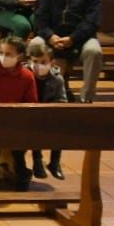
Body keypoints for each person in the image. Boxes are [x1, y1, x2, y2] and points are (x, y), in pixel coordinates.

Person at [35, 0, 104, 103]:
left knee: (94, 51)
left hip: (81, 37)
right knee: (35, 45)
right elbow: (40, 19)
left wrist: (73, 38)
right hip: (53, 36)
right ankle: (40, 92)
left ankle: (87, 97)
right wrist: (50, 36)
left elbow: (92, 22)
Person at [0, 35, 38, 190]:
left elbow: (31, 101)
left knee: (18, 145)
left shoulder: (27, 76)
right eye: (1, 53)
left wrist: (16, 113)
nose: (4, 57)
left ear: (19, 56)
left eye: (9, 54)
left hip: (18, 119)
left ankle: (20, 171)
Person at [26, 36, 67, 179]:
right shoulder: (26, 75)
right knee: (33, 130)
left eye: (43, 62)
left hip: (50, 114)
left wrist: (52, 110)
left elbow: (62, 100)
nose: (39, 65)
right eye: (35, 62)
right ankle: (37, 161)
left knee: (60, 129)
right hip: (30, 114)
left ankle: (55, 162)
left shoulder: (57, 79)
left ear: (51, 62)